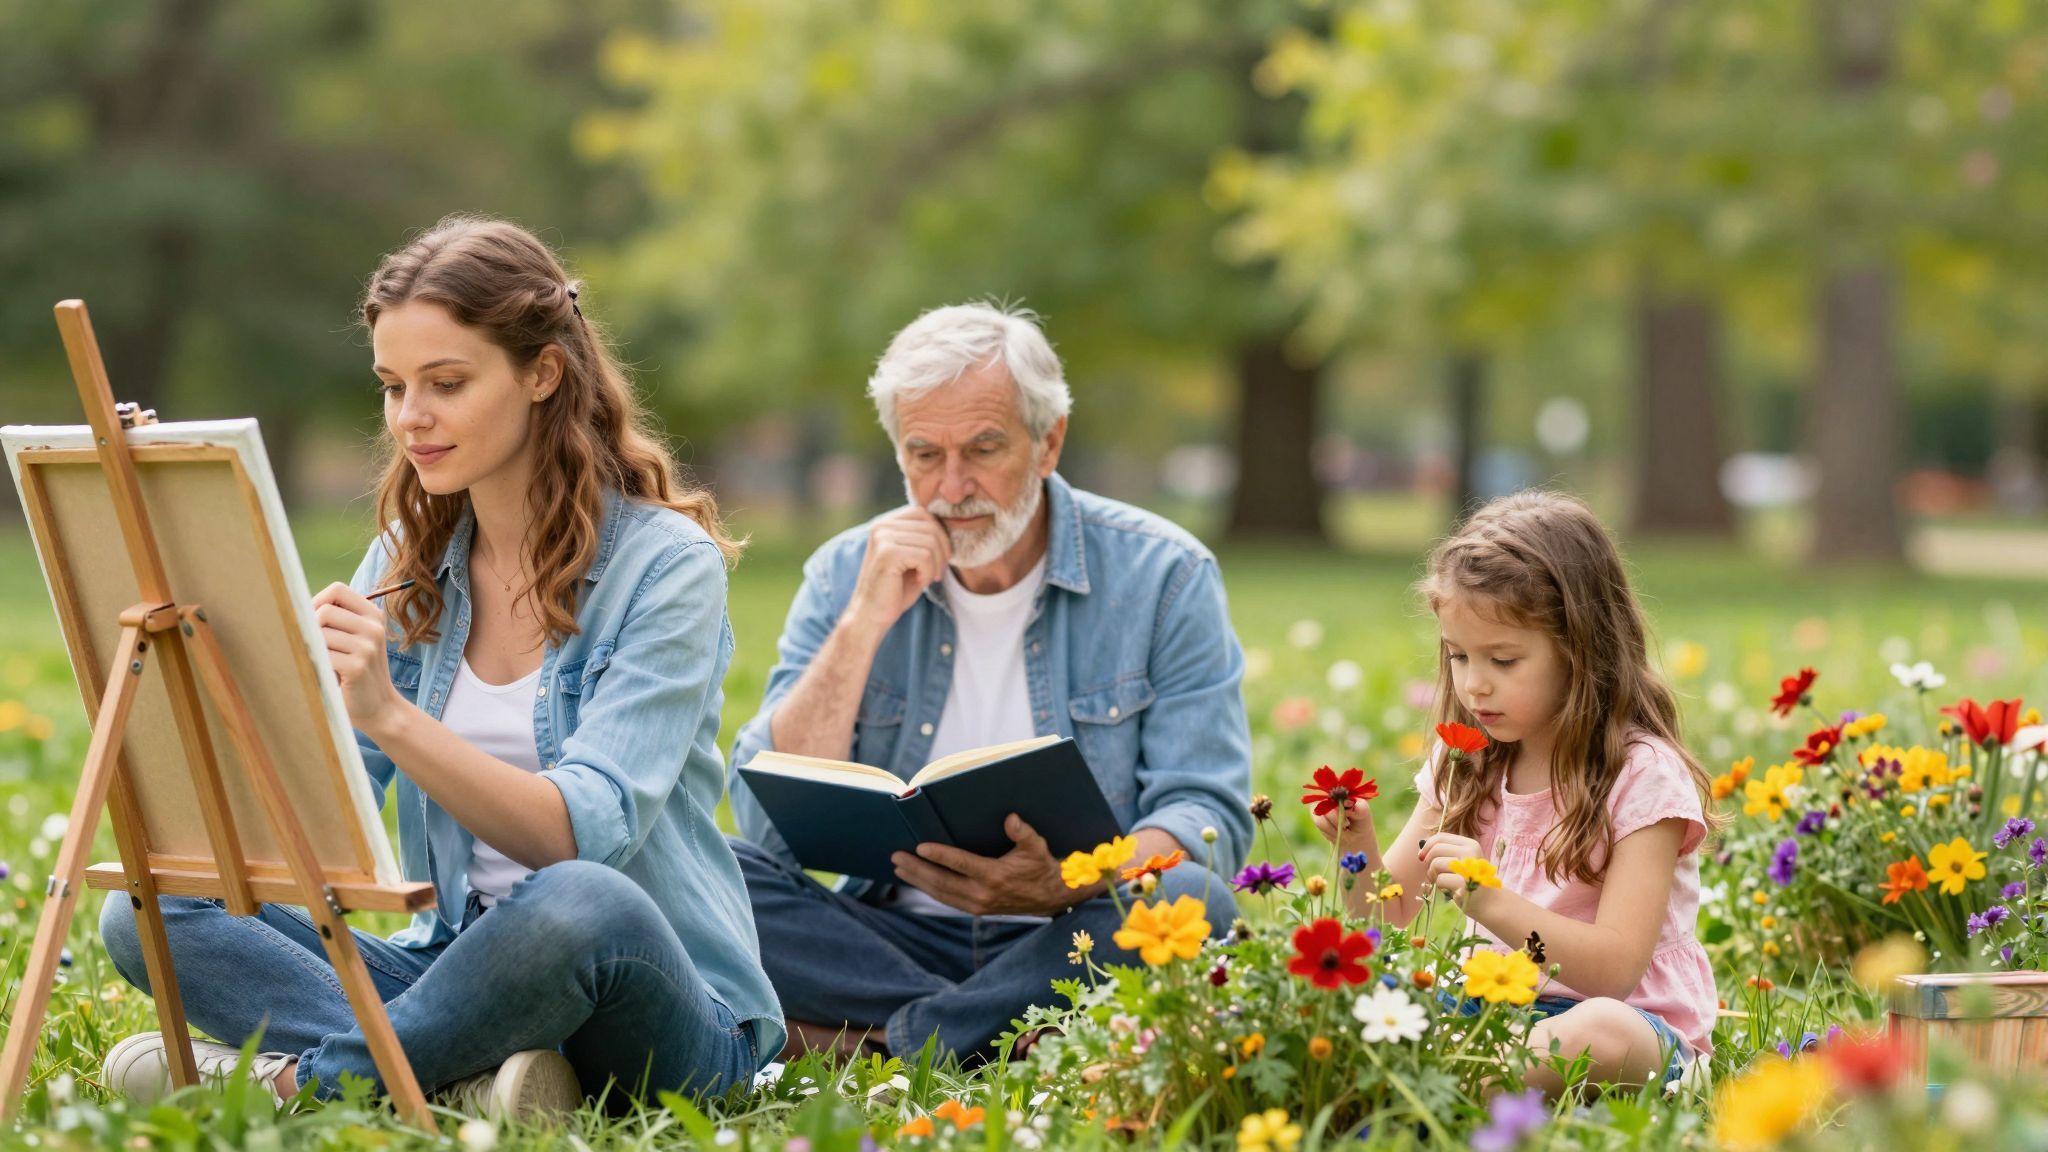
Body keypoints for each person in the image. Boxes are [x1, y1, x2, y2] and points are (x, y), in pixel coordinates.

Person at [98, 216, 782, 1117]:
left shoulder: (665, 568)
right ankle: (466, 1074)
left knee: (579, 902)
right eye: (392, 387)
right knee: (152, 909)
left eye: (446, 384)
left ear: (543, 374)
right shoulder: (408, 559)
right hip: (456, 965)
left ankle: (307, 1084)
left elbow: (581, 836)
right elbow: (315, 824)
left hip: (657, 1002)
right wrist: (221, 637)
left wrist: (391, 714)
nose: (410, 419)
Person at [726, 302, 1250, 1064]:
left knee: (1189, 903)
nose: (951, 486)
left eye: (983, 448)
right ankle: (999, 1034)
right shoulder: (847, 571)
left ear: (1049, 443)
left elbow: (1205, 813)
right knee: (712, 873)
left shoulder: (1165, 575)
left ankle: (881, 1047)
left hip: (1068, 934)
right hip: (884, 938)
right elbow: (766, 825)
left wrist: (1069, 885)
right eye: (923, 454)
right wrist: (863, 622)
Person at [1315, 490, 1718, 1092]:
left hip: (1634, 1025)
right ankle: (1462, 1076)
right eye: (1458, 656)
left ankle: (1441, 1083)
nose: (1474, 686)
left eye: (1503, 660)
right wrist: (1357, 851)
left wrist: (1491, 903)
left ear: (1581, 650)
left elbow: (1612, 970)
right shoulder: (1467, 763)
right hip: (1492, 1016)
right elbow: (1388, 913)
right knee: (1361, 999)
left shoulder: (1641, 776)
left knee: (1596, 1032)